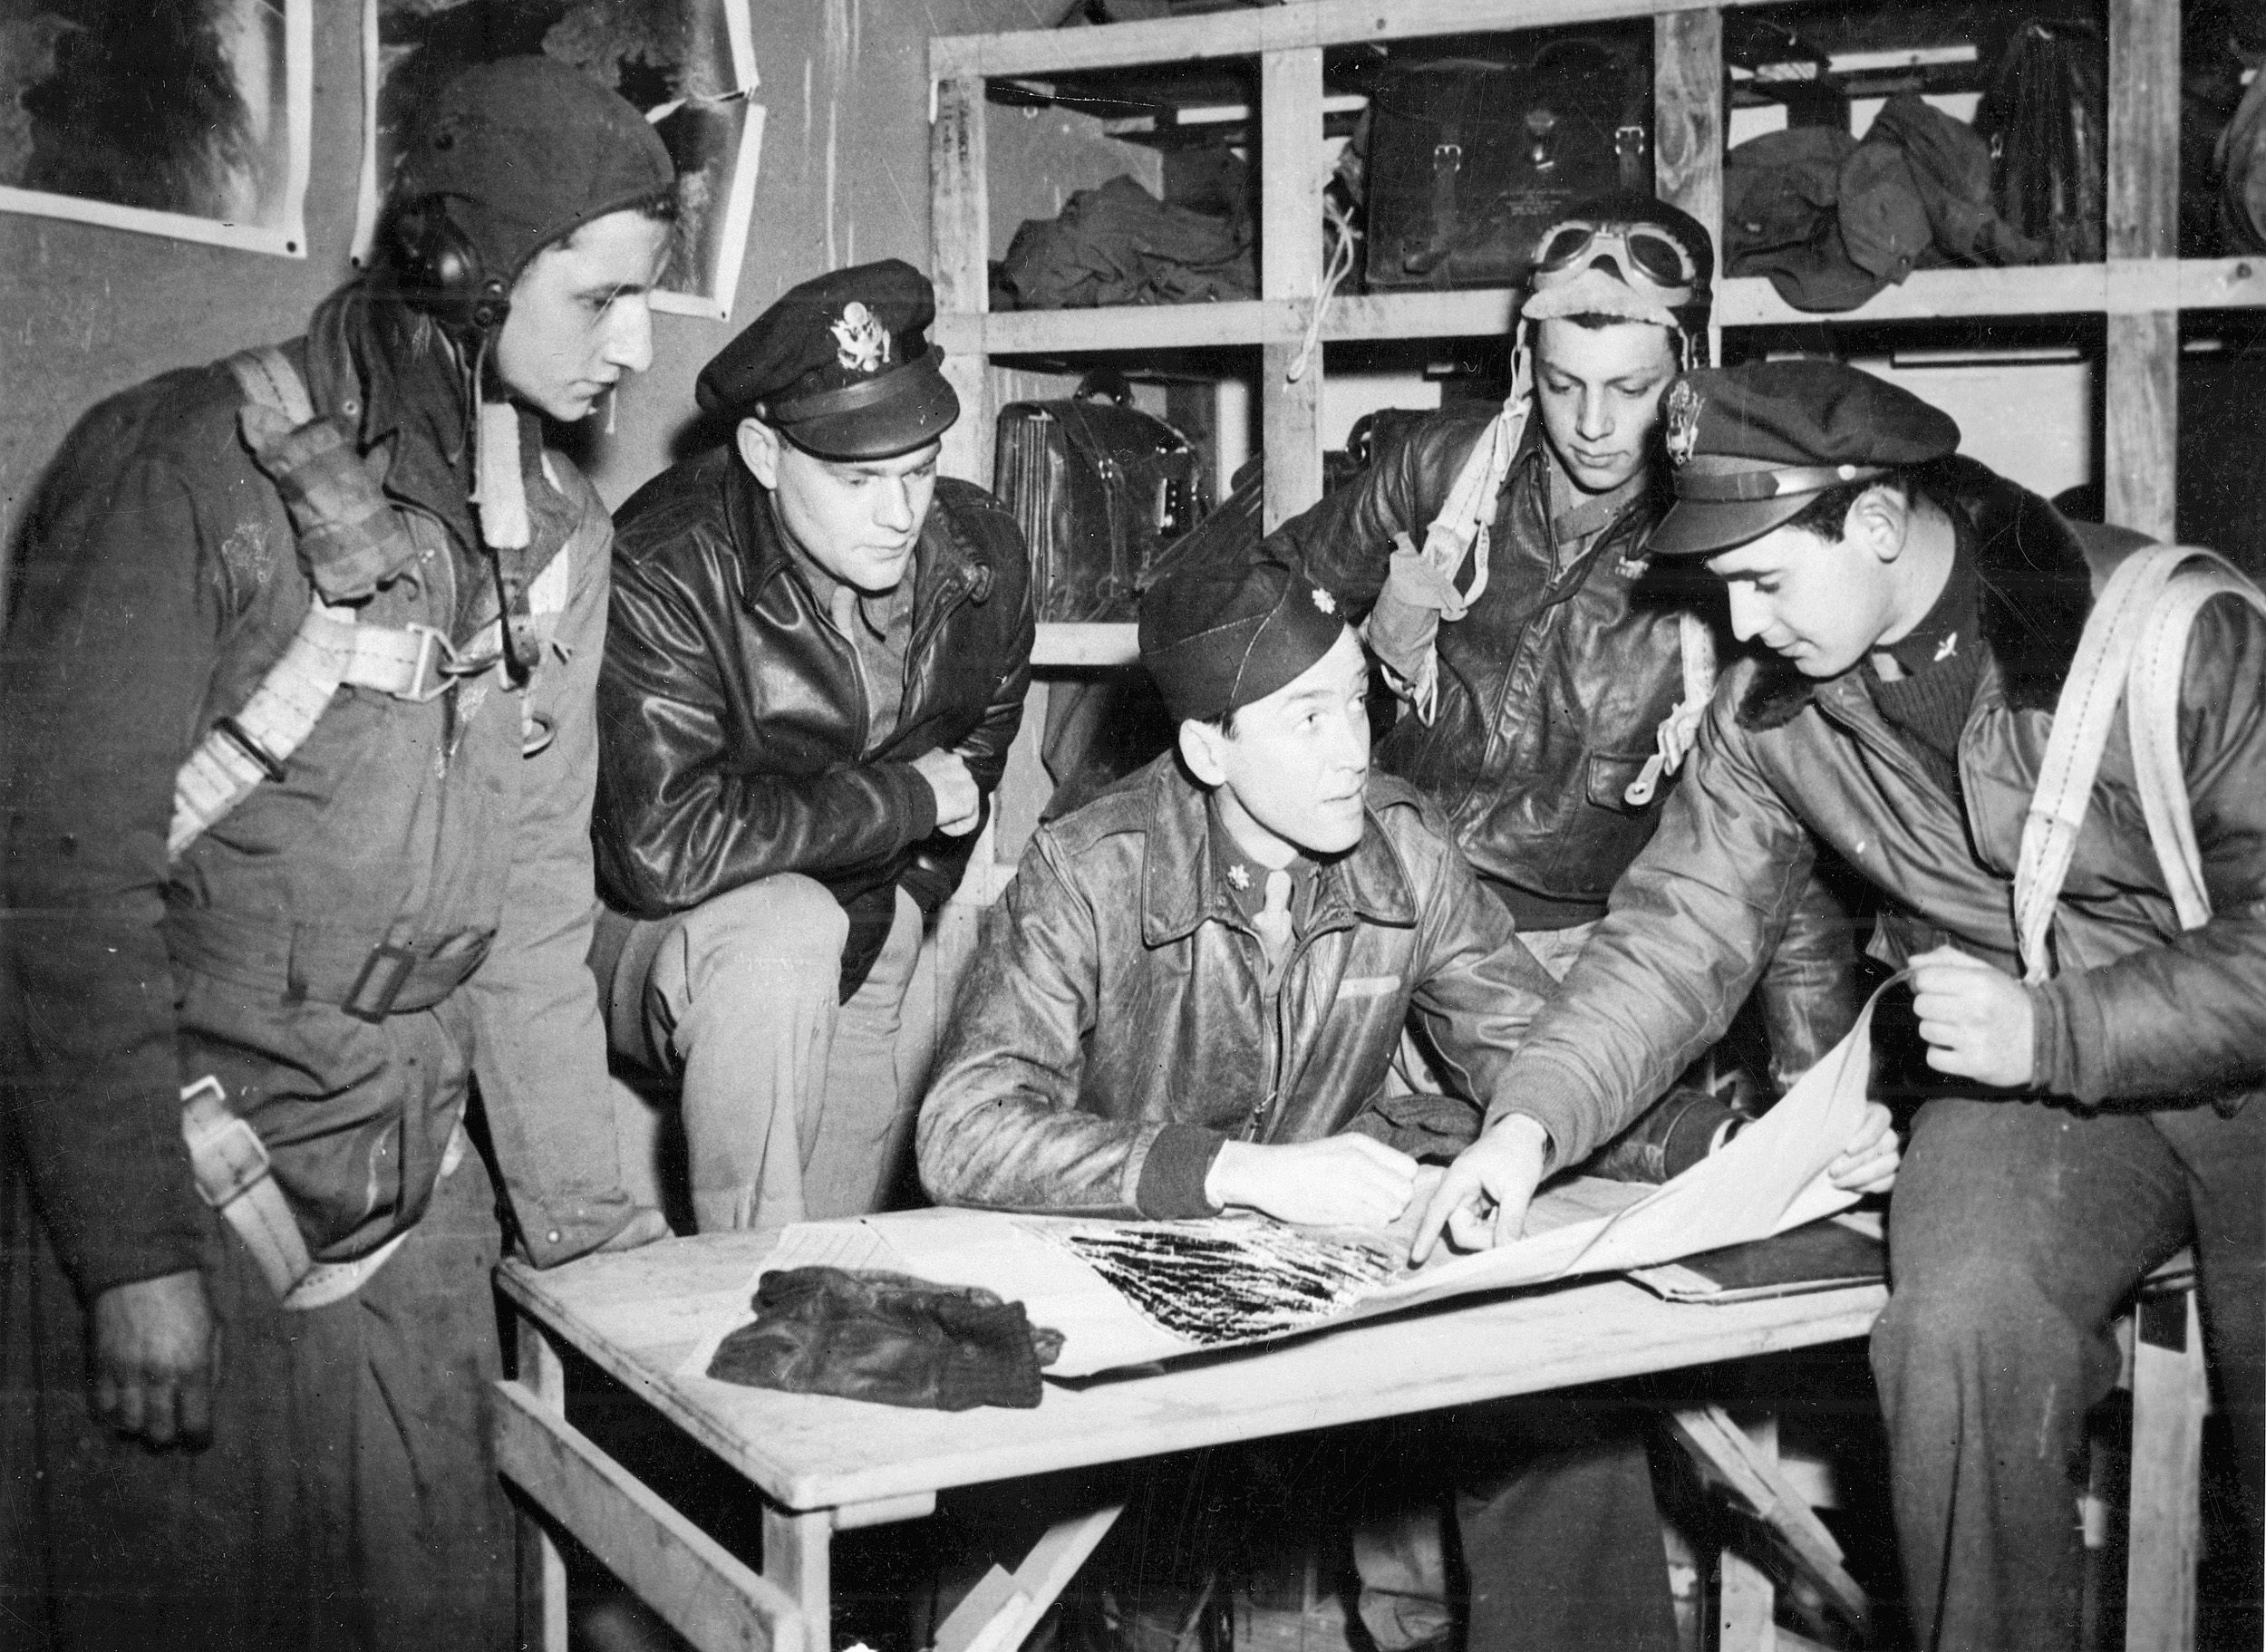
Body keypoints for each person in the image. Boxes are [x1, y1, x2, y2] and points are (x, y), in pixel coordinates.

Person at [1418, 358, 2264, 1652]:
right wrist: (1528, 1126)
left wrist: (2053, 1029)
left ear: (1875, 521)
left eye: (1764, 579)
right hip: (2040, 1092)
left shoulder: (2168, 635)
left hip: (2217, 1066)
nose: (1744, 629)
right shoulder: (1775, 713)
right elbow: (1681, 928)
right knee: (1957, 1322)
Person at [1, 56, 676, 1649]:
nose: (639, 344)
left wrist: (596, 1241)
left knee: (458, 1598)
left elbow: (525, 914)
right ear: (464, 269)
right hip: (185, 1176)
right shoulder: (181, 468)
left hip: (411, 1183)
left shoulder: (557, 539)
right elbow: (56, 881)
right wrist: (125, 1258)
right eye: (602, 298)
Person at [916, 555, 1898, 1652]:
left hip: (1330, 1284)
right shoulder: (1086, 869)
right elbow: (966, 1129)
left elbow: (1533, 1051)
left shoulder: (1401, 846)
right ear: (1206, 748)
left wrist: (1728, 1144)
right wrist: (1242, 1175)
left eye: (1355, 703)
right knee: (1109, 1598)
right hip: (1123, 1285)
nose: (1353, 749)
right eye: (1305, 720)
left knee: (1561, 1419)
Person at [1261, 191, 1862, 1649]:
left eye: (1633, 387)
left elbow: (1760, 860)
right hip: (1378, 919)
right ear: (1526, 358)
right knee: (1329, 1290)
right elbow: (1245, 621)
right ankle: (1396, 1624)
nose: (1594, 424)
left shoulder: (1732, 540)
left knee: (1515, 1330)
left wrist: (1815, 1102)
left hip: (1583, 966)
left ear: (1689, 370)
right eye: (1567, 380)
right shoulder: (1433, 473)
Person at [592, 261, 1034, 1232]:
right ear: (761, 452)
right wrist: (901, 804)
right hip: (654, 933)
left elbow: (976, 764)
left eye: (920, 470)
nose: (900, 514)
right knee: (784, 932)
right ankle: (738, 1314)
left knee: (844, 1259)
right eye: (857, 479)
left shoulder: (982, 553)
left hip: (864, 916)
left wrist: (898, 919)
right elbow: (660, 849)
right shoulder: (664, 561)